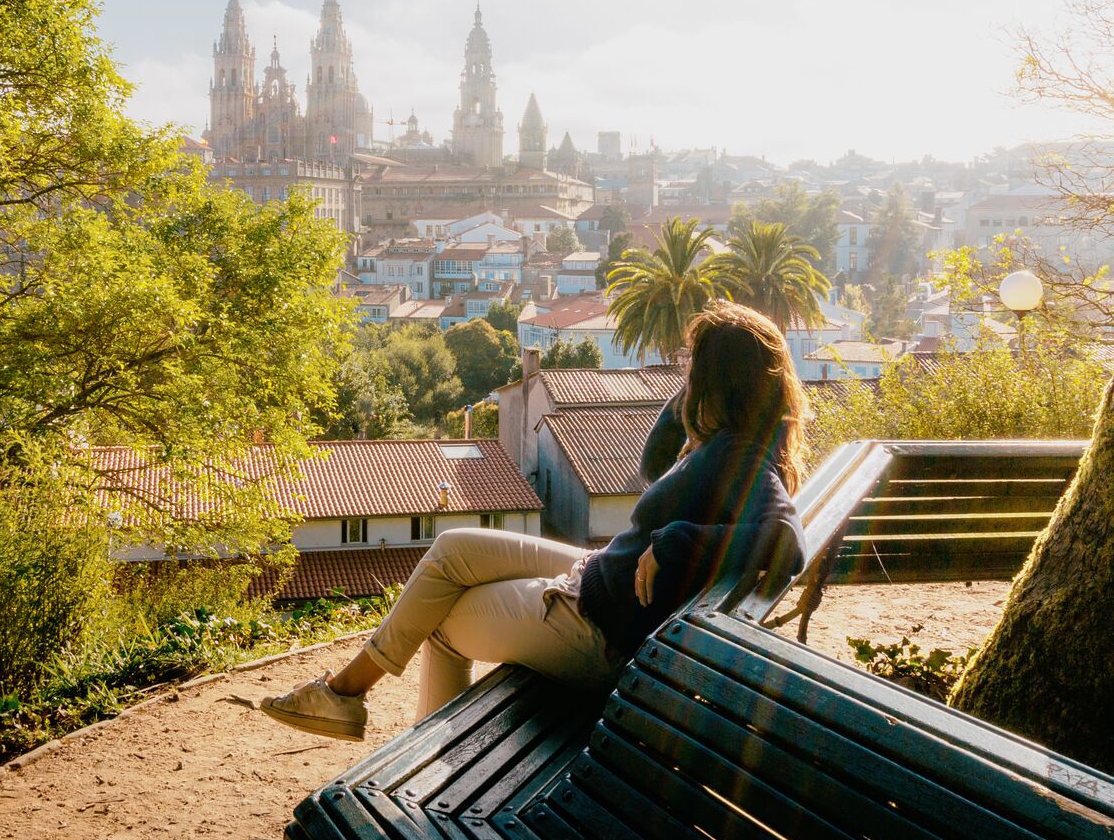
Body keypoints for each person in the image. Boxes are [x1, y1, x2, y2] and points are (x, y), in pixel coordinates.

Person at [259, 299, 808, 741]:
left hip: (595, 629)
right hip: (598, 579)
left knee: (441, 624)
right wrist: (691, 396)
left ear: (720, 382)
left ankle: (420, 764)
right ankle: (343, 695)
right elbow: (652, 465)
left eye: (695, 365)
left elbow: (786, 542)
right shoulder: (730, 441)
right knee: (453, 548)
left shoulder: (737, 455)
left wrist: (679, 540)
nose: (684, 370)